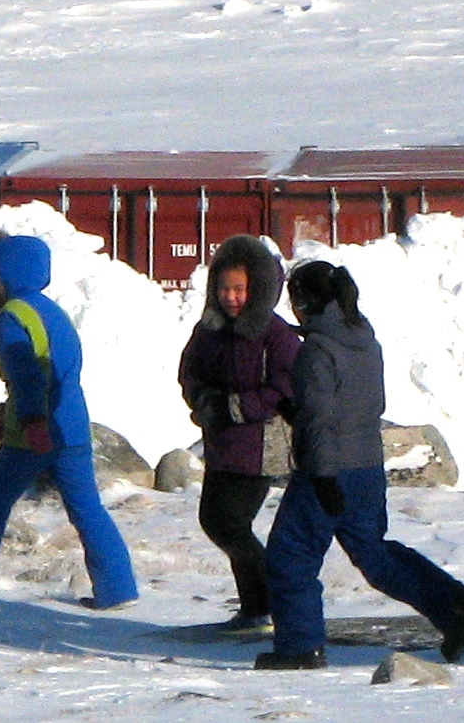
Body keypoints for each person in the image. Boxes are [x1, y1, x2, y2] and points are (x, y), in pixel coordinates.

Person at [255, 261, 464, 670]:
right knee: (376, 556)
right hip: (366, 468)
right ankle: (455, 608)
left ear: (304, 303)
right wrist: (298, 410)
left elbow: (320, 421)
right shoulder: (364, 340)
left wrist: (322, 475)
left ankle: (299, 647)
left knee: (291, 556)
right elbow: (355, 406)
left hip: (327, 470)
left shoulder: (317, 350)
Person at [0, 230, 140, 613]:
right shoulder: (51, 311)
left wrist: (28, 420)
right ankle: (118, 588)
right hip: (73, 423)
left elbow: (27, 376)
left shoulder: (13, 316)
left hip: (35, 430)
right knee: (86, 507)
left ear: (3, 273)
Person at [177, 235, 302, 635]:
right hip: (222, 443)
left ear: (258, 288)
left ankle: (268, 603)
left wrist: (236, 408)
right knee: (215, 521)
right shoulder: (209, 329)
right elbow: (190, 370)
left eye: (239, 289)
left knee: (229, 523)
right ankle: (258, 605)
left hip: (259, 446)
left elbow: (284, 387)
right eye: (224, 289)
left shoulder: (275, 335)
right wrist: (202, 400)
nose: (230, 298)